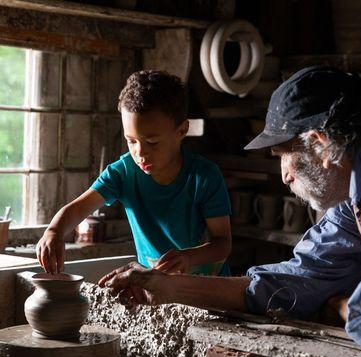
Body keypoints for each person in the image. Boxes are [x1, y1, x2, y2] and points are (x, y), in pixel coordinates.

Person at [100, 65, 361, 354]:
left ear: (318, 142)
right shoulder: (355, 196)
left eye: (284, 155)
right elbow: (300, 277)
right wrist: (167, 287)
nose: (285, 176)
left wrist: (345, 307)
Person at [36, 70, 232, 276]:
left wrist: (188, 257)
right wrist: (54, 231)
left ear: (182, 131)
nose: (140, 153)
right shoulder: (123, 173)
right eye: (131, 141)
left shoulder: (204, 177)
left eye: (152, 142)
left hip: (208, 288)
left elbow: (223, 244)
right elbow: (78, 209)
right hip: (157, 288)